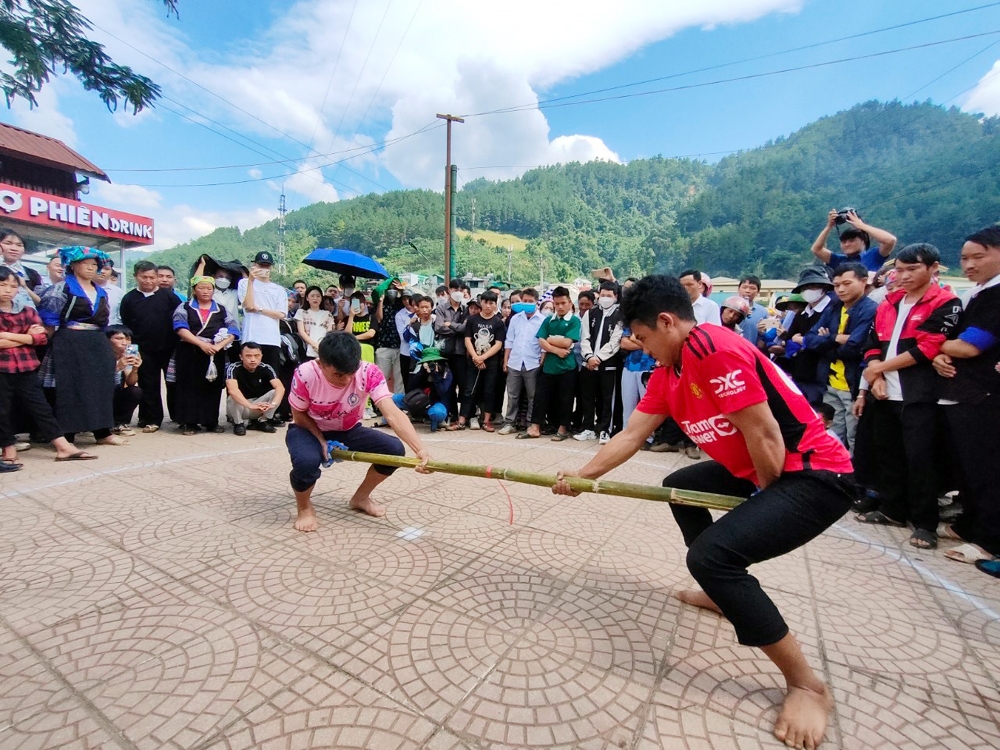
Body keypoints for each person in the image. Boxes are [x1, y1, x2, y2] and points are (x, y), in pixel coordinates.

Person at [553, 274, 855, 750]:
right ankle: (721, 592)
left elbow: (767, 437)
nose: (644, 348)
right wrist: (585, 477)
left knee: (713, 557)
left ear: (667, 322)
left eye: (645, 337)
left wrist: (764, 496)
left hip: (812, 474)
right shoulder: (669, 369)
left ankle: (807, 685)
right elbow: (631, 435)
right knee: (681, 487)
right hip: (762, 467)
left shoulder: (711, 348)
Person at [854, 243, 961, 550]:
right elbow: (872, 344)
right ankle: (892, 509)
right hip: (885, 393)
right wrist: (875, 374)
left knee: (921, 459)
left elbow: (927, 348)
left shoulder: (946, 302)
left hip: (920, 395)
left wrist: (877, 370)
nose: (903, 276)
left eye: (912, 269)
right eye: (899, 269)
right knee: (888, 454)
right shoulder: (889, 303)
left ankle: (925, 522)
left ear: (933, 268)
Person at [285, 331, 431, 531]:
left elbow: (392, 414)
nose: (346, 381)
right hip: (307, 428)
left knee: (394, 450)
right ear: (321, 364)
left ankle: (361, 498)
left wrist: (420, 449)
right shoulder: (306, 373)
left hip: (348, 429)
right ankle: (304, 508)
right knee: (306, 462)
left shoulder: (368, 372)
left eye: (351, 373)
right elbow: (299, 414)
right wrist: (321, 441)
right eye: (338, 375)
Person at [933, 226, 1000, 564]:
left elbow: (972, 345)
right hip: (964, 393)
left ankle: (989, 539)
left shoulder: (996, 295)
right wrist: (944, 352)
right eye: (964, 258)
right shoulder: (978, 293)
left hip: (985, 395)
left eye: (979, 256)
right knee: (965, 467)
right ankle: (968, 524)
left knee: (987, 468)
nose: (969, 264)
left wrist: (939, 346)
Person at [0, 266, 99, 468]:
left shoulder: (26, 310)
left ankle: (62, 446)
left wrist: (9, 336)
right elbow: (31, 338)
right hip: (2, 368)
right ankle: (7, 448)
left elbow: (41, 337)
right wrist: (26, 337)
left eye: (13, 285)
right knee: (2, 410)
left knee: (41, 407)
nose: (8, 290)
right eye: (2, 285)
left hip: (26, 367)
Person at [37, 247, 121, 446]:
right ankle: (68, 434)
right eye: (86, 264)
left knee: (100, 387)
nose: (92, 268)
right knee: (69, 388)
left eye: (95, 265)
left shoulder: (101, 291)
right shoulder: (62, 288)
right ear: (73, 266)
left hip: (96, 342)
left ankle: (102, 432)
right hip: (69, 341)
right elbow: (49, 318)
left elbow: (103, 320)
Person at [800, 263, 877, 451]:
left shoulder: (870, 310)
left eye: (847, 283)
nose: (841, 289)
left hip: (854, 385)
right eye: (836, 285)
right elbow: (809, 340)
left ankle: (853, 477)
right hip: (830, 382)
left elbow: (855, 347)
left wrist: (826, 339)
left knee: (855, 436)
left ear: (864, 281)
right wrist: (836, 339)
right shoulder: (834, 307)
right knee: (832, 434)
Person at [120, 260, 183, 433]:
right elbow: (127, 325)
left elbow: (180, 319)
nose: (148, 281)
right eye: (144, 277)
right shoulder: (129, 299)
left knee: (174, 383)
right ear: (136, 276)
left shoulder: (169, 297)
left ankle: (180, 417)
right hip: (144, 350)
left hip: (169, 348)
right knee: (148, 384)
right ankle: (151, 419)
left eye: (152, 277)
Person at [171, 276, 238, 436]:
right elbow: (180, 328)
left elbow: (234, 329)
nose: (206, 291)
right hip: (190, 350)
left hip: (215, 352)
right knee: (188, 387)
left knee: (212, 387)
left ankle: (211, 421)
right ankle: (189, 422)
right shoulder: (184, 307)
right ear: (194, 290)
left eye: (209, 288)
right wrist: (201, 344)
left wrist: (218, 346)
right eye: (201, 287)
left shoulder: (221, 309)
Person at [519, 286, 580, 441]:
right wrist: (556, 350)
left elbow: (567, 342)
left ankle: (562, 429)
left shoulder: (574, 321)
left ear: (569, 303)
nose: (560, 306)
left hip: (567, 367)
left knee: (565, 399)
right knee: (541, 397)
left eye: (563, 303)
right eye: (557, 303)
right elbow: (541, 341)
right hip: (549, 366)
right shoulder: (548, 320)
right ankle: (535, 428)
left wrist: (550, 340)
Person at [450, 290, 505, 431]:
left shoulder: (498, 322)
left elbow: (498, 344)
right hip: (473, 362)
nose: (488, 306)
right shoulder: (473, 319)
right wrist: (475, 356)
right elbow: (467, 339)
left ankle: (487, 421)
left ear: (495, 304)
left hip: (491, 363)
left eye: (491, 303)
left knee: (489, 391)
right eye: (485, 302)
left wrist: (482, 357)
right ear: (481, 302)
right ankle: (462, 420)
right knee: (468, 390)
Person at [576, 281, 623, 444]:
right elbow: (585, 337)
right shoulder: (591, 313)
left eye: (609, 295)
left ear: (615, 297)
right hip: (589, 363)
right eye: (602, 295)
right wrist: (589, 356)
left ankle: (605, 430)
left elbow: (616, 340)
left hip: (608, 363)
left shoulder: (619, 315)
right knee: (588, 397)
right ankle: (587, 427)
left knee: (607, 398)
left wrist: (599, 358)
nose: (605, 298)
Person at [787, 267, 836, 405]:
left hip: (822, 376)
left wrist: (802, 341)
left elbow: (826, 343)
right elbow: (789, 341)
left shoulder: (833, 310)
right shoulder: (801, 314)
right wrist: (802, 343)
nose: (809, 290)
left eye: (814, 286)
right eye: (805, 287)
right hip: (799, 373)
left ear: (824, 287)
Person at [499, 288, 544, 435]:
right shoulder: (515, 319)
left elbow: (543, 346)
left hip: (533, 363)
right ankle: (510, 422)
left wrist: (541, 362)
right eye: (525, 301)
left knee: (533, 396)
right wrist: (506, 360)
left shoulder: (542, 320)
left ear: (537, 302)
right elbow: (509, 341)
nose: (527, 304)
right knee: (512, 395)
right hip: (515, 362)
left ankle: (531, 423)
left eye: (531, 301)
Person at [238, 251, 286, 372]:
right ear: (255, 265)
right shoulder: (244, 283)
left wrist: (259, 309)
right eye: (261, 265)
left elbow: (281, 314)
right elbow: (248, 305)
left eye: (267, 266)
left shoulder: (279, 290)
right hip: (251, 337)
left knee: (271, 375)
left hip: (271, 338)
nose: (264, 268)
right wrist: (250, 281)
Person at [226, 341, 285, 435]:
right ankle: (238, 423)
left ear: (261, 356)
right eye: (248, 356)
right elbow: (232, 390)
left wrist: (273, 405)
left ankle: (263, 420)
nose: (253, 359)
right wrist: (250, 406)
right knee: (233, 396)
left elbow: (280, 387)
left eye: (256, 356)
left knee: (275, 392)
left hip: (258, 405)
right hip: (241, 407)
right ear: (241, 357)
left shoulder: (266, 368)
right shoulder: (234, 368)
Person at [811, 209, 897, 272]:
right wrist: (829, 226)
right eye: (843, 242)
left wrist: (861, 226)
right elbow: (816, 249)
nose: (847, 244)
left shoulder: (874, 255)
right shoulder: (838, 260)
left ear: (863, 240)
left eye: (852, 241)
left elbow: (890, 240)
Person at [392, 346, 453, 432]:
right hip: (421, 402)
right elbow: (410, 389)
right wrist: (422, 373)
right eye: (428, 362)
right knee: (394, 399)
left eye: (434, 362)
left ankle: (435, 422)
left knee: (437, 413)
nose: (431, 364)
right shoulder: (423, 371)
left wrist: (435, 376)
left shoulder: (446, 373)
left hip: (436, 404)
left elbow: (442, 392)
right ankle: (390, 420)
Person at [435, 280, 469, 419]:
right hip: (446, 352)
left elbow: (467, 328)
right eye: (455, 289)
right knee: (448, 384)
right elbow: (439, 327)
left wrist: (450, 325)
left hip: (461, 352)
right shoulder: (441, 308)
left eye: (460, 289)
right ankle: (452, 413)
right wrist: (458, 328)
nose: (458, 292)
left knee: (464, 384)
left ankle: (465, 414)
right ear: (449, 290)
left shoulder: (467, 309)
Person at [105, 325, 143, 436]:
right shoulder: (102, 355)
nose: (125, 342)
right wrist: (117, 368)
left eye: (128, 339)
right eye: (119, 338)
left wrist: (135, 369)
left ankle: (119, 423)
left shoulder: (127, 355)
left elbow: (131, 382)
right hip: (101, 394)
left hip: (116, 391)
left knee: (135, 391)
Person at [374, 282, 405, 394]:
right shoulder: (380, 304)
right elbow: (379, 318)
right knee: (381, 377)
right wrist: (381, 301)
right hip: (384, 345)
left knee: (399, 378)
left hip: (400, 346)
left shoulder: (400, 303)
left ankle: (398, 402)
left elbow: (411, 303)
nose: (392, 291)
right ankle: (379, 403)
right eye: (389, 289)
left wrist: (403, 290)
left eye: (394, 289)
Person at [1, 229, 42, 309]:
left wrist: (25, 287)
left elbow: (42, 303)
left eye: (19, 245)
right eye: (8, 243)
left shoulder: (32, 274)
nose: (14, 248)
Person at [294, 285, 334, 360]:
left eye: (318, 296)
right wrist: (314, 345)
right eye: (312, 296)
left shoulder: (327, 314)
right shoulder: (301, 312)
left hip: (323, 350)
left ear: (321, 298)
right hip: (305, 349)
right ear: (307, 298)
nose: (315, 298)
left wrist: (321, 346)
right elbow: (301, 331)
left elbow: (329, 332)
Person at [736, 275, 770, 346]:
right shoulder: (727, 307)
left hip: (750, 352)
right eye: (744, 287)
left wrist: (761, 332)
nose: (747, 291)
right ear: (738, 289)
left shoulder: (762, 312)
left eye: (752, 288)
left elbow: (762, 338)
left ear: (757, 292)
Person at [395, 288, 416, 390]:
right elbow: (403, 338)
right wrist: (410, 324)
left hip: (419, 353)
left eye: (409, 298)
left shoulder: (420, 311)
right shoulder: (400, 315)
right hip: (406, 352)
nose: (407, 301)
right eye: (404, 299)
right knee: (407, 381)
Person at [96, 259, 124, 325]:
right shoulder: (80, 290)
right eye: (99, 268)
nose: (102, 271)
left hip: (111, 331)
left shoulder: (119, 292)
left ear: (111, 271)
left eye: (107, 269)